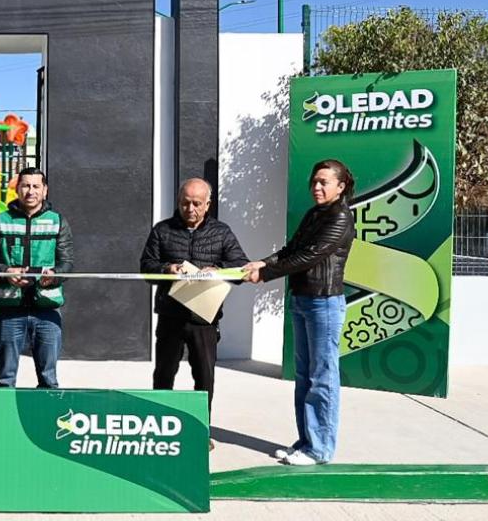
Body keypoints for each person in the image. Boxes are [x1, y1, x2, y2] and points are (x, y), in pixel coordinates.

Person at [244, 159, 356, 466]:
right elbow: (291, 248)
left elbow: (309, 256)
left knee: (322, 377)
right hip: (303, 300)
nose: (317, 187)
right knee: (305, 376)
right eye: (314, 181)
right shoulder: (313, 214)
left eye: (324, 182)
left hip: (324, 304)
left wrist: (266, 274)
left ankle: (320, 449)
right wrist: (261, 263)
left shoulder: (341, 217)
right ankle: (306, 442)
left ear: (340, 186)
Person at [140, 177, 248, 449]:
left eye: (196, 204)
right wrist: (167, 269)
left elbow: (241, 267)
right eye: (185, 203)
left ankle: (201, 430)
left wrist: (217, 270)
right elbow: (146, 267)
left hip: (205, 319)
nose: (190, 209)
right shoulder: (162, 231)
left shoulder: (221, 232)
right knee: (164, 373)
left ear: (208, 205)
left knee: (204, 377)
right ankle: (160, 426)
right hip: (170, 316)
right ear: (178, 202)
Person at [0, 167, 74, 389]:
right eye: (25, 186)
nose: (30, 191)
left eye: (36, 186)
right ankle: (2, 420)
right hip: (11, 308)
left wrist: (55, 276)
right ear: (17, 188)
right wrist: (5, 272)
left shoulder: (58, 221)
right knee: (5, 378)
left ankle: (47, 420)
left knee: (49, 379)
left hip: (47, 309)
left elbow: (67, 263)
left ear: (45, 190)